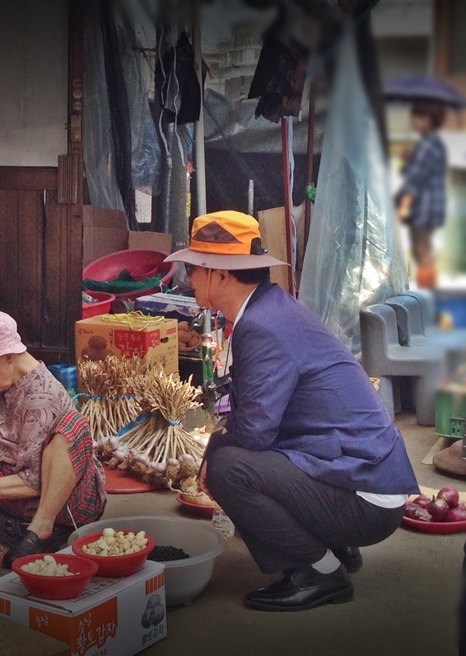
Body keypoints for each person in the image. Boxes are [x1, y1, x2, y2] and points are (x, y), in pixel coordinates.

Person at [164, 210, 419, 612]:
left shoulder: (261, 327)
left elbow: (254, 434)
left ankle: (318, 571)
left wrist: (214, 447)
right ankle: (337, 547)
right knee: (234, 453)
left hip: (367, 497)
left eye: (194, 268)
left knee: (231, 467)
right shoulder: (270, 309)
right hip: (366, 478)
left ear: (222, 276)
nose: (187, 278)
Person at [0, 311, 107, 567]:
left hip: (57, 501)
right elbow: (0, 440)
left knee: (73, 426)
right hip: (13, 491)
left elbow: (32, 482)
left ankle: (41, 529)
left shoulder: (41, 399)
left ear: (8, 357)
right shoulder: (9, 381)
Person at [396, 100, 447, 290]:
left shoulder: (426, 146)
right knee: (424, 250)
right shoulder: (434, 144)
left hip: (423, 207)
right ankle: (429, 289)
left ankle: (428, 291)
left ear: (429, 119)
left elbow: (415, 181)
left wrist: (404, 206)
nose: (414, 120)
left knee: (422, 249)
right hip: (433, 206)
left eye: (418, 116)